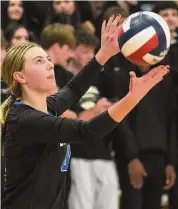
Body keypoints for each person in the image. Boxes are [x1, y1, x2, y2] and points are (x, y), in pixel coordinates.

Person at [1, 16, 169, 209]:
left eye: (48, 59)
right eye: (39, 61)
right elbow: (88, 131)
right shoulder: (25, 119)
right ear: (20, 76)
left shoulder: (47, 108)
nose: (49, 64)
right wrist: (133, 97)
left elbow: (73, 90)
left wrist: (104, 54)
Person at [153, 2, 178, 209]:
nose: (170, 18)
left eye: (173, 14)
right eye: (165, 14)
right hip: (161, 122)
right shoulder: (150, 48)